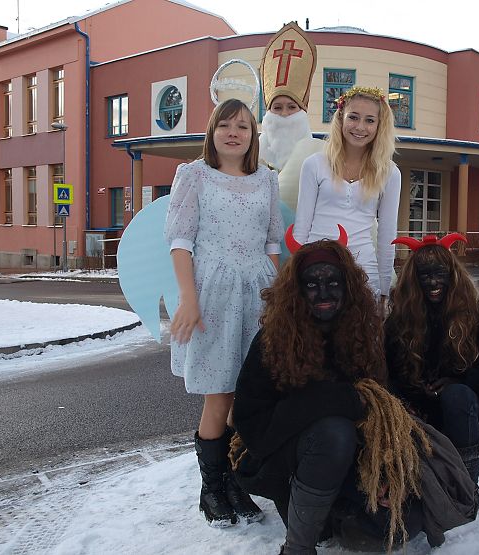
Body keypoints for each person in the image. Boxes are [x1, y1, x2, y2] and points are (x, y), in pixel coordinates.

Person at [231, 236, 473, 554]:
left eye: (333, 283)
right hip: (284, 463)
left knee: (403, 525)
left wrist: (385, 471)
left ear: (348, 288)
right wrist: (334, 401)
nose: (324, 293)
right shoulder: (272, 342)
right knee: (334, 431)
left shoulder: (362, 336)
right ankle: (298, 547)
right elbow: (255, 430)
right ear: (297, 291)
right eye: (312, 284)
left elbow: (376, 413)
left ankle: (337, 514)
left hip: (350, 462)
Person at [163, 98, 283, 527]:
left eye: (243, 126)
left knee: (246, 391)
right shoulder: (194, 175)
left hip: (257, 293)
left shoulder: (266, 179)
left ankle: (234, 482)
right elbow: (180, 241)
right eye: (225, 125)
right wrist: (188, 298)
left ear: (253, 135)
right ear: (212, 131)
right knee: (219, 393)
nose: (234, 133)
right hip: (213, 293)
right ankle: (211, 490)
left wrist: (275, 298)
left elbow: (272, 242)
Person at [385, 234, 479, 505]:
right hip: (417, 421)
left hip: (471, 418)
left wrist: (466, 381)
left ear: (453, 274)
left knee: (458, 397)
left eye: (439, 273)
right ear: (412, 279)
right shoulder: (400, 321)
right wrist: (410, 397)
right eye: (424, 275)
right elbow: (385, 374)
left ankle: (464, 490)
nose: (433, 282)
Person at [293, 86, 401, 309]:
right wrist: (296, 274)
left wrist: (384, 288)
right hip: (317, 268)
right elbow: (301, 227)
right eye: (353, 117)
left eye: (370, 120)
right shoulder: (314, 164)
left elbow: (387, 234)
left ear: (379, 125)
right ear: (341, 117)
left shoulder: (390, 173)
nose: (360, 127)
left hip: (364, 271)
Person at [258, 21, 325, 258]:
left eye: (291, 107)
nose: (284, 115)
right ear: (268, 112)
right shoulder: (251, 154)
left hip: (305, 252)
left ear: (302, 111)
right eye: (277, 108)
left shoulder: (320, 155)